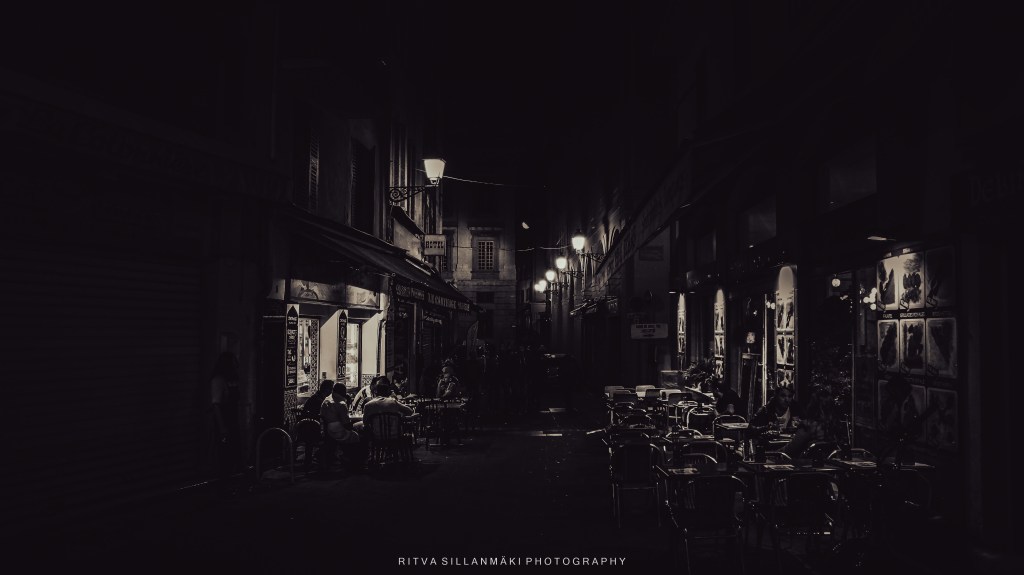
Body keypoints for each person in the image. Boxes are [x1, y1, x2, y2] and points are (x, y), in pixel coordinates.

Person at [210, 351, 242, 490]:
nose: (237, 365)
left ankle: (229, 484)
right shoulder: (218, 380)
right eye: (234, 362)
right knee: (224, 454)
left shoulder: (233, 380)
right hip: (224, 421)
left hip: (233, 419)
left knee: (233, 452)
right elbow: (216, 404)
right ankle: (222, 486)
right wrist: (222, 427)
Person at [782, 384, 840, 459]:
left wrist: (772, 453)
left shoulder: (808, 425)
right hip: (828, 466)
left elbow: (789, 450)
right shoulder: (834, 425)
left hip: (807, 466)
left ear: (812, 405)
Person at [319, 381, 360, 472]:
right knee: (356, 435)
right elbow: (346, 424)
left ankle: (343, 455)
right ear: (343, 392)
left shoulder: (327, 399)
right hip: (337, 431)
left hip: (326, 430)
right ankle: (353, 461)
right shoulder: (341, 403)